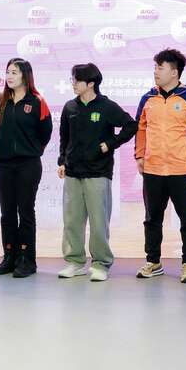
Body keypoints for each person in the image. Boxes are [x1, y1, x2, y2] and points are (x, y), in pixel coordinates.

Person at [134, 49, 186, 284]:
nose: (156, 72)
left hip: (181, 170)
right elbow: (140, 128)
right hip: (153, 170)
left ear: (174, 72)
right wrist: (139, 156)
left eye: (160, 68)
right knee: (152, 219)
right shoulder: (148, 98)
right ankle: (153, 262)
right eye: (155, 67)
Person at [57, 63, 137, 282]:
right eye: (72, 79)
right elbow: (64, 138)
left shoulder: (106, 106)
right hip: (73, 172)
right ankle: (75, 262)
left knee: (99, 222)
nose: (73, 84)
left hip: (98, 172)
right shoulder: (69, 107)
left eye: (76, 80)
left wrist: (110, 144)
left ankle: (101, 263)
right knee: (72, 221)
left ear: (90, 83)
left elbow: (131, 125)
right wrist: (62, 161)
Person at [0, 58, 52, 278]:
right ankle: (9, 256)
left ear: (25, 75)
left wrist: (29, 148)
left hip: (28, 164)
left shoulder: (37, 101)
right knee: (7, 212)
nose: (9, 76)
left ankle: (27, 259)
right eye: (8, 72)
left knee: (25, 211)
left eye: (14, 72)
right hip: (3, 163)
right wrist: (5, 146)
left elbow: (45, 132)